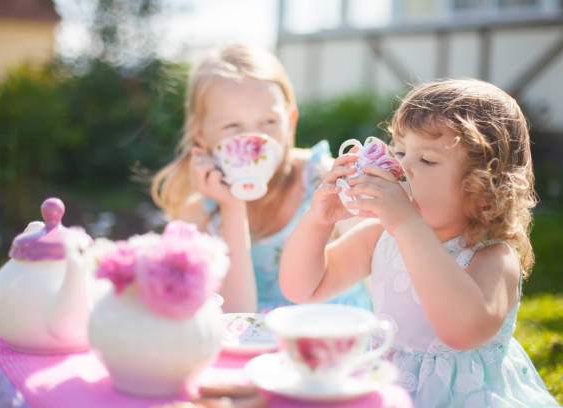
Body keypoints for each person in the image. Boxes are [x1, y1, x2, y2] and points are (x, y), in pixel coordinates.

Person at [279, 79, 559, 407]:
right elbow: (303, 288)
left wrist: (407, 224)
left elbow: (462, 332)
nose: (402, 167)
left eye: (426, 160)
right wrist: (318, 221)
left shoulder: (494, 257)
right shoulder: (380, 235)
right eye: (399, 151)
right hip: (389, 388)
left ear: (484, 185)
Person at [151, 44, 371, 313]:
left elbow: (378, 269)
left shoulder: (325, 182)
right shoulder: (199, 213)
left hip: (334, 336)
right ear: (201, 136)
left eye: (268, 122)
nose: (256, 140)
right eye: (232, 126)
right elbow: (234, 318)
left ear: (290, 122)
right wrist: (232, 207)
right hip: (253, 346)